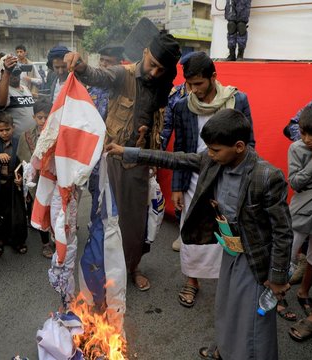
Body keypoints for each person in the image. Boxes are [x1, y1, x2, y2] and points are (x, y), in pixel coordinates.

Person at [106, 108, 292, 360]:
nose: (210, 154)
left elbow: (283, 231)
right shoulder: (215, 160)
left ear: (238, 146)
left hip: (255, 259)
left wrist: (278, 277)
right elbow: (174, 159)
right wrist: (128, 152)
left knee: (253, 319)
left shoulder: (266, 176)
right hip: (230, 250)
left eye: (215, 149)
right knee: (227, 306)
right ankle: (226, 350)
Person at [64, 32, 182, 291]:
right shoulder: (123, 74)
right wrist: (81, 66)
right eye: (153, 65)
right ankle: (105, 270)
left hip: (140, 163)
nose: (154, 73)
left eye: (162, 70)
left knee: (136, 222)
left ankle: (133, 267)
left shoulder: (161, 84)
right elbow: (99, 76)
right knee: (106, 218)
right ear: (145, 53)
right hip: (113, 162)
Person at [171, 51, 254, 307]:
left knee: (227, 231)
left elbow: (248, 142)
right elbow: (180, 149)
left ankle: (227, 283)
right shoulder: (182, 106)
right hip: (195, 177)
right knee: (193, 229)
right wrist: (177, 187)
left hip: (228, 176)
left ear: (213, 77)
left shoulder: (237, 100)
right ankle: (192, 280)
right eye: (190, 84)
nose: (194, 90)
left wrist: (244, 179)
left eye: (199, 84)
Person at [280, 105, 312, 322]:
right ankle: (277, 295)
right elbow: (295, 182)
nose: (307, 139)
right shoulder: (297, 148)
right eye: (303, 133)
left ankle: (303, 292)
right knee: (286, 255)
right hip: (302, 211)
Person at [0, 112, 28, 255]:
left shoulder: (19, 142)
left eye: (7, 130)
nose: (4, 133)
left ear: (13, 128)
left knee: (17, 214)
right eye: (1, 130)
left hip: (14, 184)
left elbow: (25, 163)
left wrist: (21, 179)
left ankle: (18, 241)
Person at [17, 97, 54, 258]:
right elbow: (22, 160)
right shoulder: (26, 137)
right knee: (41, 212)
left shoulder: (57, 135)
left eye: (47, 117)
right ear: (34, 117)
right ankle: (45, 243)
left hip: (54, 180)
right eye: (40, 117)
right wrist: (23, 177)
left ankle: (58, 239)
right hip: (36, 183)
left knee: (56, 212)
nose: (43, 120)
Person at [0, 54, 36, 137]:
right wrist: (7, 71)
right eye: (11, 69)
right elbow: (1, 103)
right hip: (15, 141)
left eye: (16, 68)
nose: (15, 73)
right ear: (3, 72)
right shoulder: (3, 90)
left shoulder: (25, 88)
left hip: (31, 139)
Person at [88, 44, 124, 120]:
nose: (103, 64)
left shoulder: (123, 87)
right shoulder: (92, 85)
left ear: (119, 65)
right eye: (101, 60)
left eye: (108, 61)